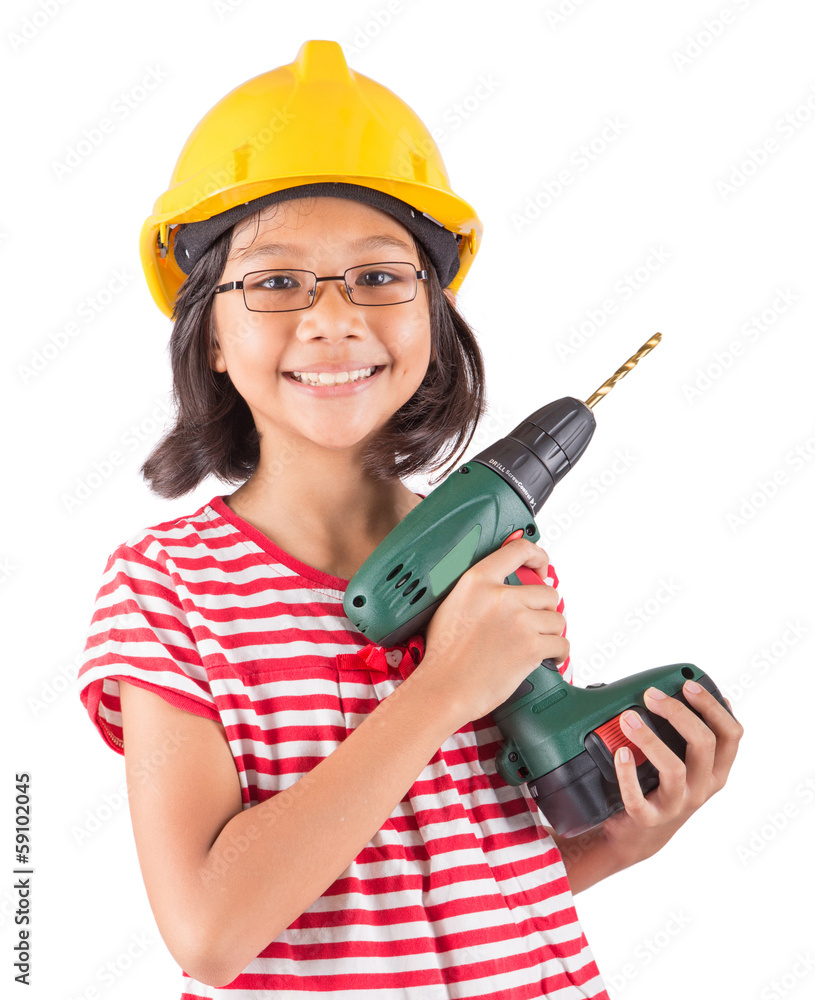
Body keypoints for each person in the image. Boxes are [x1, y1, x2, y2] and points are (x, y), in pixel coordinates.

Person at [77, 39, 742, 999]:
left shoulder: (500, 561)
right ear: (209, 334)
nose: (333, 319)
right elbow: (213, 931)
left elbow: (472, 874)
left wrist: (623, 838)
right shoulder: (168, 591)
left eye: (380, 277)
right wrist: (441, 692)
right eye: (273, 282)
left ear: (433, 318)